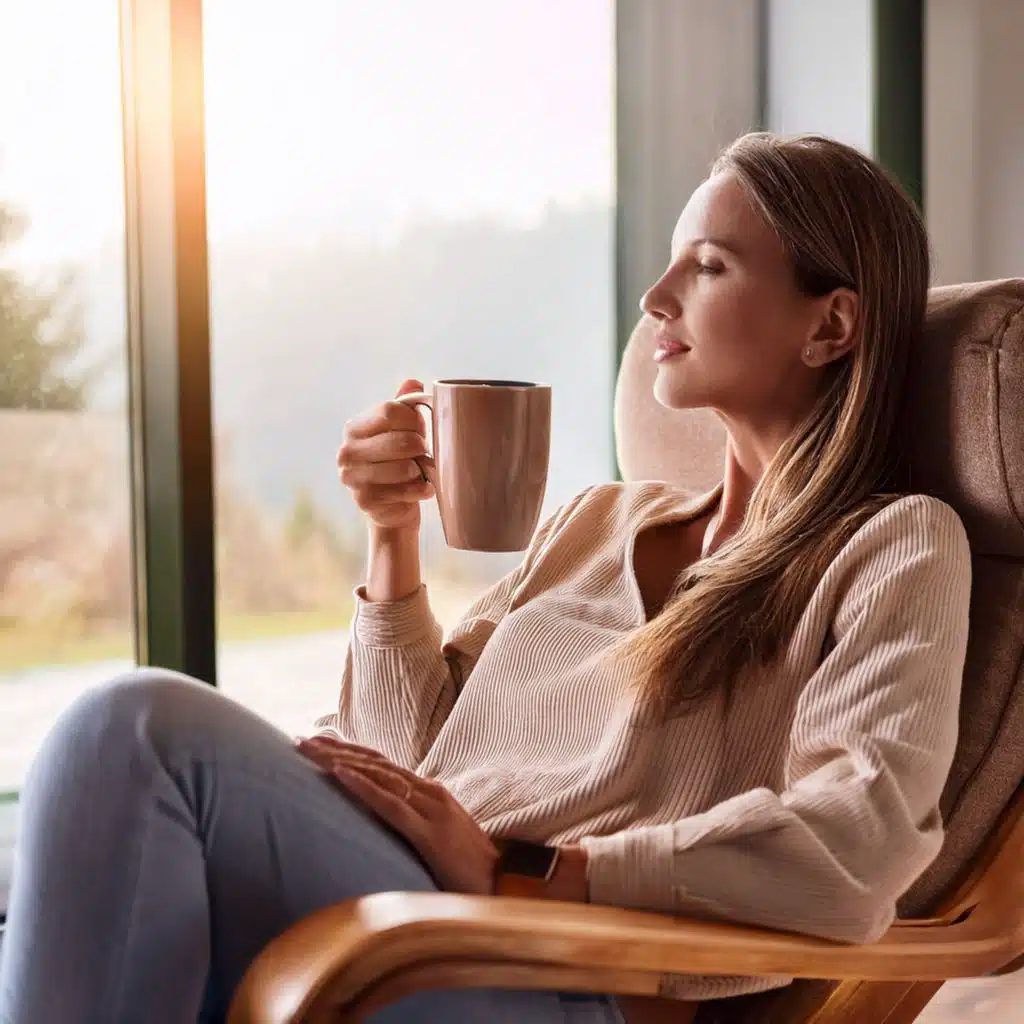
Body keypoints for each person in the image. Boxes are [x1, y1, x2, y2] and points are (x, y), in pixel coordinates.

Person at [0, 133, 972, 1024]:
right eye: (673, 255)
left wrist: (532, 870)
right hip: (411, 918)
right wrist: (391, 538)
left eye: (709, 265)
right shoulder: (598, 518)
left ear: (830, 325)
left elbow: (862, 836)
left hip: (553, 972)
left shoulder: (893, 546)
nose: (656, 295)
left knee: (130, 731)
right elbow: (406, 757)